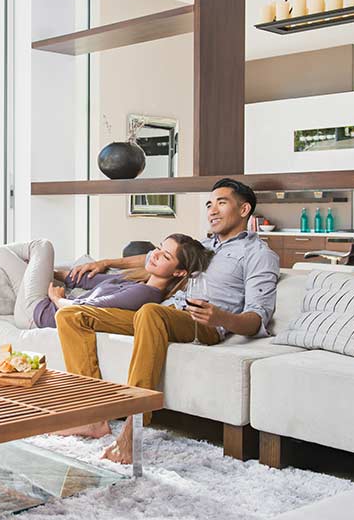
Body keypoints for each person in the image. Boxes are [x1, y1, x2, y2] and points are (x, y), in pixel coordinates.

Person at [55, 177, 280, 464]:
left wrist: (220, 316)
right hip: (163, 315)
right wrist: (106, 262)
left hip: (204, 323)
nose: (212, 210)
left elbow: (257, 320)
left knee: (150, 311)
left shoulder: (259, 255)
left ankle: (131, 432)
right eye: (209, 204)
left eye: (221, 203)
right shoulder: (203, 245)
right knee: (73, 314)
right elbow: (151, 258)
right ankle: (93, 417)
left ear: (244, 209)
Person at [0, 234, 213, 330]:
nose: (156, 255)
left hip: (40, 314)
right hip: (43, 303)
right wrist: (47, 271)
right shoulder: (136, 277)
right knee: (5, 255)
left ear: (180, 273)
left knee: (42, 245)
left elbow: (87, 310)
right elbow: (85, 280)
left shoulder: (145, 294)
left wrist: (58, 298)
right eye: (159, 248)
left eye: (166, 256)